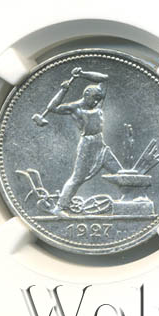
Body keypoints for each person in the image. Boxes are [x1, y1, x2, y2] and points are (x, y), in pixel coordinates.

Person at [46, 66, 122, 215]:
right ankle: (59, 208)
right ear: (87, 95)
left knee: (121, 173)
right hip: (87, 146)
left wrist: (82, 74)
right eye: (94, 98)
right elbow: (52, 107)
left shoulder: (98, 102)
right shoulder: (75, 107)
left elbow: (104, 78)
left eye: (99, 99)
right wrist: (63, 91)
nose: (97, 102)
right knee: (77, 178)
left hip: (100, 144)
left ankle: (131, 200)